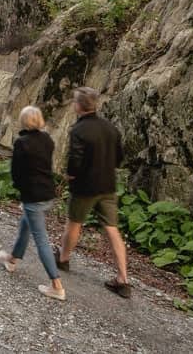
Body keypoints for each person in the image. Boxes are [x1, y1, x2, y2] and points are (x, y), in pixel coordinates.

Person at [55, 86, 131, 298]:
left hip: (85, 187)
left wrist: (70, 175)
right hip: (108, 185)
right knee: (112, 229)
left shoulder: (79, 130)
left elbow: (75, 159)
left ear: (78, 106)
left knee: (74, 223)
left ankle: (63, 259)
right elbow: (119, 158)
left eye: (74, 102)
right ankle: (123, 279)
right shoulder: (110, 128)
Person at [0, 105, 65, 301]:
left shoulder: (22, 143)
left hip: (32, 195)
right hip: (47, 192)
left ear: (24, 121)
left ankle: (57, 285)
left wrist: (19, 188)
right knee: (25, 225)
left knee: (41, 239)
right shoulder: (47, 139)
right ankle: (12, 260)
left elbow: (16, 171)